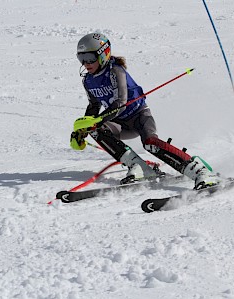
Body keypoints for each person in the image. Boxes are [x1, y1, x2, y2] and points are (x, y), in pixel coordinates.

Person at [70, 32, 221, 189]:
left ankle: (200, 172)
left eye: (90, 58)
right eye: (81, 58)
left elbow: (120, 102)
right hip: (119, 123)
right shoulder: (88, 80)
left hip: (139, 116)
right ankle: (140, 168)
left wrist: (98, 120)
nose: (86, 63)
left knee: (150, 144)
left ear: (103, 54)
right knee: (95, 129)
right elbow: (93, 107)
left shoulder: (115, 71)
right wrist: (82, 129)